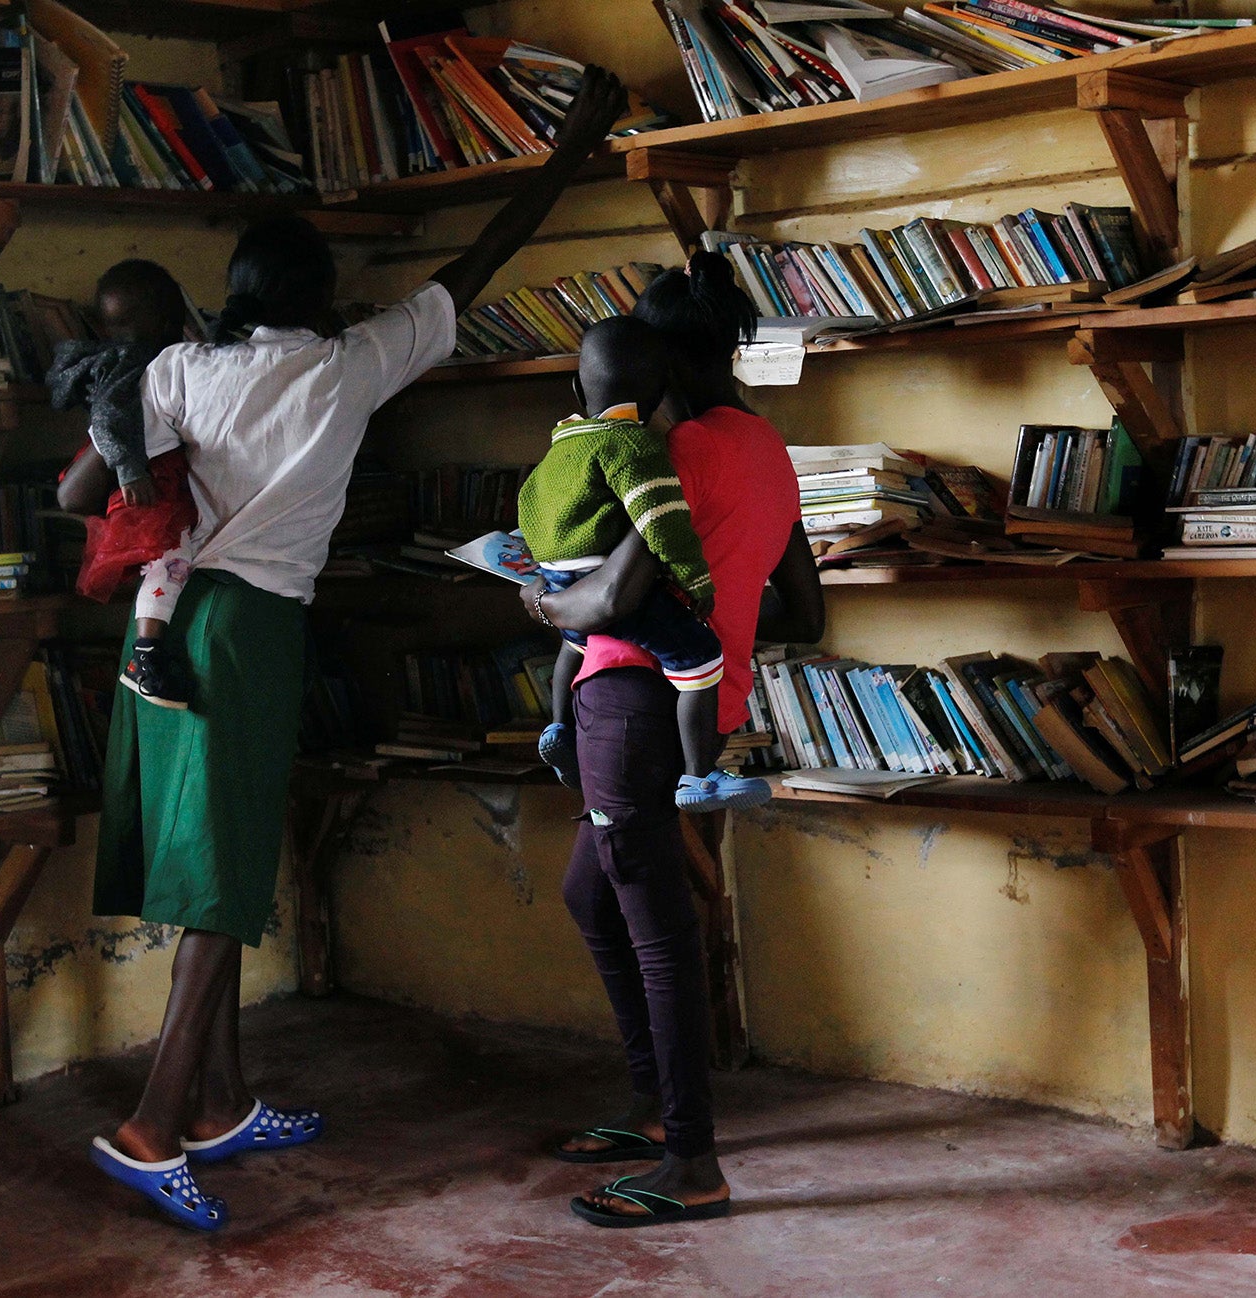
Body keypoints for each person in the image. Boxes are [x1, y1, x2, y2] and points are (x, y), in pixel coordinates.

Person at [82, 68, 632, 1233]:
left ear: (229, 297)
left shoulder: (179, 369)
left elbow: (92, 477)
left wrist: (130, 432)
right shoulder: (344, 369)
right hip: (246, 632)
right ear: (321, 295)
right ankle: (149, 1123)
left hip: (164, 623)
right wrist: (574, 141)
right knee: (223, 884)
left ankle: (221, 1102)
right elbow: (474, 268)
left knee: (214, 864)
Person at [520, 251, 826, 1227]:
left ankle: (691, 1160)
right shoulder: (766, 448)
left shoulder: (675, 453)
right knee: (592, 891)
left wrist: (535, 594)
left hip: (632, 700)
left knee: (656, 928)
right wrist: (719, 613)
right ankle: (656, 1109)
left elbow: (611, 594)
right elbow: (804, 609)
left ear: (651, 360)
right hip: (694, 695)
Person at [518, 316, 771, 814]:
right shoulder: (635, 446)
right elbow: (662, 522)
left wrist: (545, 577)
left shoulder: (560, 446)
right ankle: (700, 778)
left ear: (576, 386)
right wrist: (695, 580)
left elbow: (529, 506)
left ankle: (558, 727)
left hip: (558, 574)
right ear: (658, 395)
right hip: (609, 597)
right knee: (700, 660)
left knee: (572, 647)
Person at [49, 259, 199, 707]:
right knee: (171, 557)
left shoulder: (138, 356)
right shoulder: (139, 362)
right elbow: (109, 418)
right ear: (171, 319)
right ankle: (146, 655)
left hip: (151, 472)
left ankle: (148, 651)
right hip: (148, 479)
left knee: (171, 558)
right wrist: (130, 469)